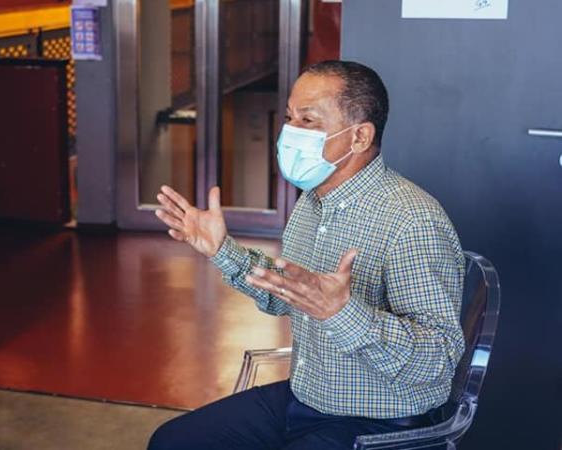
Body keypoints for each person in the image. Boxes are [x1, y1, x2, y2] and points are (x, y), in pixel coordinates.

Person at [148, 60, 465, 450]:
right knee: (172, 442)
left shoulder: (413, 220)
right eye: (289, 118)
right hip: (304, 399)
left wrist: (343, 314)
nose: (290, 132)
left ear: (360, 136)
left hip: (379, 423)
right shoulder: (312, 203)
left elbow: (439, 360)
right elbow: (286, 296)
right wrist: (222, 250)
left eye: (308, 121)